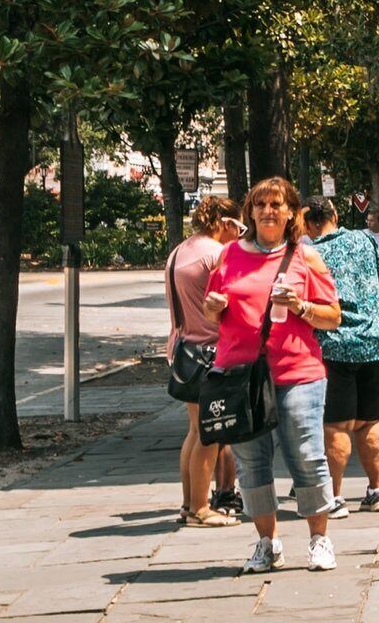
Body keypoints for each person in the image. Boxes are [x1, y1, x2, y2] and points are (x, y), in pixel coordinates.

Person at [211, 178, 346, 572]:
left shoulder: (305, 257)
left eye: (277, 204)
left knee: (306, 456)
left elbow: (333, 317)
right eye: (261, 204)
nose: (268, 211)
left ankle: (319, 540)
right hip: (241, 375)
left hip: (298, 373)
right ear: (250, 211)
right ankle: (267, 544)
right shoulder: (229, 255)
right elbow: (211, 309)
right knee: (251, 462)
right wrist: (212, 307)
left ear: (291, 213)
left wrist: (301, 306)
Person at [304, 195, 379, 516]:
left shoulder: (310, 254)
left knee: (336, 425)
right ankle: (377, 490)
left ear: (310, 224)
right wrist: (366, 293)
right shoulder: (363, 239)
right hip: (376, 342)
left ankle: (334, 497)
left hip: (336, 344)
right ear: (334, 215)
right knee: (371, 420)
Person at [166, 197, 244, 527]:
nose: (239, 235)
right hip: (212, 352)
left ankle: (188, 504)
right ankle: (200, 508)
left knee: (195, 431)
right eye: (239, 228)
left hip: (184, 350)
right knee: (209, 434)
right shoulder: (217, 254)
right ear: (225, 223)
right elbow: (232, 301)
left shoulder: (179, 251)